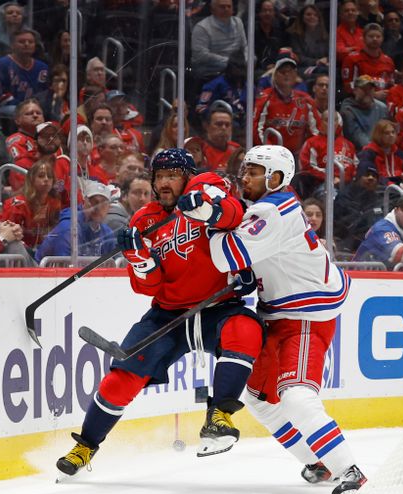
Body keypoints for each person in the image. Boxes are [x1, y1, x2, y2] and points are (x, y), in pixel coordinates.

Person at [56, 148, 264, 476]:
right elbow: (147, 287)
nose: (165, 183)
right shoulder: (144, 220)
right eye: (160, 177)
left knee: (246, 330)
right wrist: (141, 260)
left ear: (187, 176)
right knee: (122, 378)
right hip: (168, 316)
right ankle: (85, 446)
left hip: (218, 307)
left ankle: (219, 417)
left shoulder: (205, 186)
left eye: (173, 176)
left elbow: (235, 212)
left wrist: (208, 210)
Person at [195, 144, 365, 494]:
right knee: (258, 398)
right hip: (279, 314)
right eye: (245, 169)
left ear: (275, 178)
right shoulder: (264, 208)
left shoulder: (276, 209)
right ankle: (319, 462)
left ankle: (351, 471)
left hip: (305, 316)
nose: (245, 176)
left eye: (254, 170)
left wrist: (207, 220)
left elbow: (225, 255)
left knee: (298, 398)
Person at [253, 54, 321, 155]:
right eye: (282, 71)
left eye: (290, 71)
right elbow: (256, 130)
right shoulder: (265, 98)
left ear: (296, 76)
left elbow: (316, 132)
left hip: (298, 156)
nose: (286, 75)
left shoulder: (305, 100)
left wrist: (306, 153)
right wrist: (272, 152)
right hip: (270, 155)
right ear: (275, 75)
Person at [35, 180, 116, 262]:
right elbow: (65, 267)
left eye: (103, 204)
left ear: (109, 207)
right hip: (43, 273)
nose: (98, 208)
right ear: (84, 202)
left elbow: (117, 262)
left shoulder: (107, 233)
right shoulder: (70, 227)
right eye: (94, 202)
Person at [1, 156, 62, 251]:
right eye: (41, 176)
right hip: (19, 252)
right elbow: (7, 237)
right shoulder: (17, 205)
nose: (46, 179)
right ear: (32, 179)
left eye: (49, 176)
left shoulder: (54, 204)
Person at [297, 111, 358, 199]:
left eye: (334, 120)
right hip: (322, 185)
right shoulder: (311, 143)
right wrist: (331, 177)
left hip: (347, 185)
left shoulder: (348, 144)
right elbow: (307, 168)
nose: (331, 123)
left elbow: (356, 166)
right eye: (327, 120)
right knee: (333, 197)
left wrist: (345, 179)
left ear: (338, 122)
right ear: (321, 122)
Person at [354, 188, 403, 267]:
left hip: (386, 277)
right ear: (396, 211)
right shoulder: (382, 228)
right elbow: (399, 254)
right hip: (359, 276)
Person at [0, 29, 49, 108]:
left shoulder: (43, 68)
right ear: (12, 45)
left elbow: (46, 93)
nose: (26, 44)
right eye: (21, 42)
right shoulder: (2, 64)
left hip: (36, 108)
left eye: (30, 42)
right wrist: (22, 107)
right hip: (9, 108)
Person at [191, 0, 248, 81]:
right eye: (222, 7)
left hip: (236, 69)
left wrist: (247, 59)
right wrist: (229, 62)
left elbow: (245, 47)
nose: (226, 9)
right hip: (211, 72)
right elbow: (201, 56)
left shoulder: (238, 23)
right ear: (212, 10)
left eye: (229, 6)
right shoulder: (201, 27)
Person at [341, 23, 395, 98]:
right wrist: (372, 95)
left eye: (378, 36)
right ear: (363, 38)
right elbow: (348, 86)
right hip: (358, 102)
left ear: (382, 39)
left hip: (384, 101)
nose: (375, 39)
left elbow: (391, 85)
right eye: (371, 36)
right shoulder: (352, 59)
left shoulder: (388, 61)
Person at [340, 74, 390, 150]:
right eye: (364, 88)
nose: (367, 92)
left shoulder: (382, 108)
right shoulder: (348, 110)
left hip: (380, 150)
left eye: (370, 89)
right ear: (355, 91)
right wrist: (376, 150)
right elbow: (357, 138)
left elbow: (387, 131)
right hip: (358, 152)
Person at [357, 119, 403, 184]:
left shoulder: (399, 153)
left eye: (393, 132)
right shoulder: (368, 153)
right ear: (378, 135)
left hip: (399, 185)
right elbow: (369, 176)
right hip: (379, 187)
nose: (391, 135)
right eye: (387, 133)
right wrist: (391, 184)